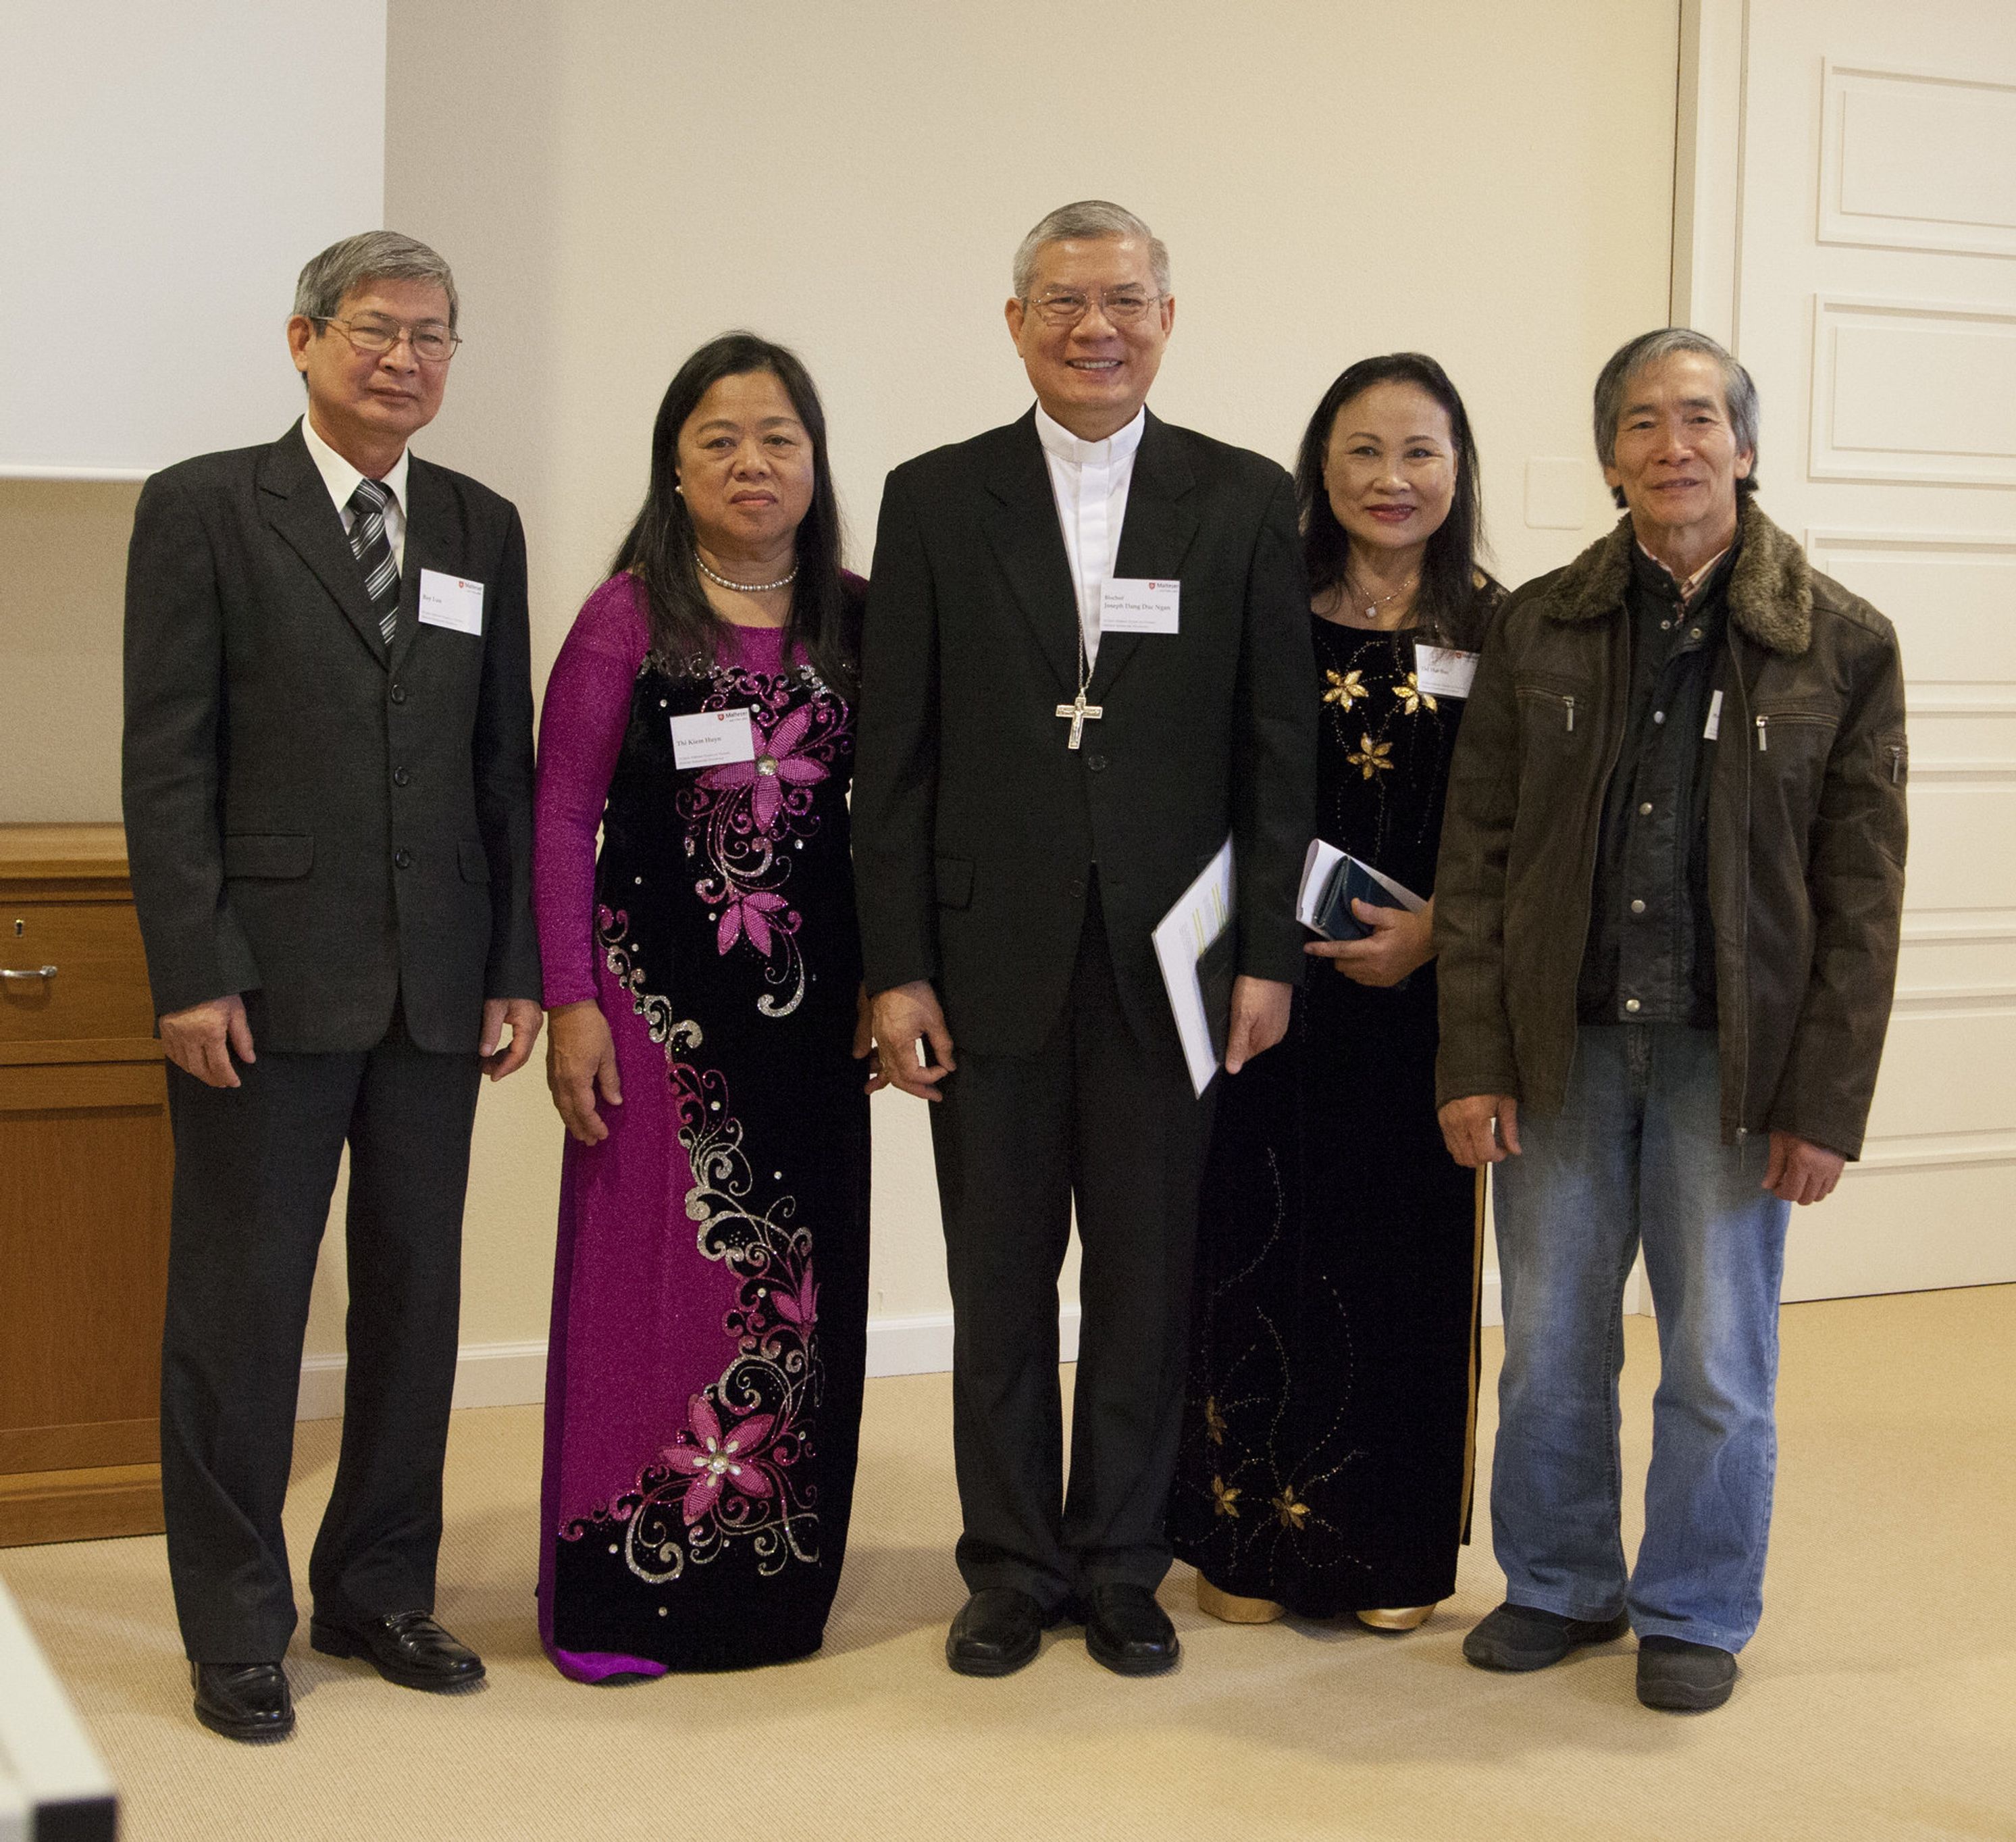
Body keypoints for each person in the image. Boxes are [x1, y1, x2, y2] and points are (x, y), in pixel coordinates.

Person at [852, 201, 1316, 1678]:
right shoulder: (934, 497)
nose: (1093, 327)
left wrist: (1266, 953)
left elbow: (1276, 750)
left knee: (1143, 1277)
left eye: (1122, 299)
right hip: (982, 958)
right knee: (996, 1281)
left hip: (1170, 963)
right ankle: (1008, 1564)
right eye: (1061, 300)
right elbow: (892, 758)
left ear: (1166, 319)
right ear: (1015, 322)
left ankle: (1120, 1558)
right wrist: (894, 965)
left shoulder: (1242, 499)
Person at [1435, 328, 1907, 1712]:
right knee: (1548, 1345)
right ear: (1608, 458)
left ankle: (1694, 1606)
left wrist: (1824, 1101)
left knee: (1714, 1359)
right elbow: (1478, 858)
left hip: (1730, 1065)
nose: (1671, 445)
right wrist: (1472, 1057)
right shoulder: (1536, 626)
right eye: (1640, 422)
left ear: (1743, 448)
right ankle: (1557, 1582)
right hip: (1561, 1050)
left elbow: (1861, 897)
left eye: (1698, 418)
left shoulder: (1840, 641)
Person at [122, 231, 542, 1742]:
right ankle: (236, 1621)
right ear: (302, 339)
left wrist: (513, 964)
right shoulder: (204, 506)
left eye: (433, 335)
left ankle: (376, 1586)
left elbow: (500, 764)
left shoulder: (480, 523)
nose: (404, 359)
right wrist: (193, 968)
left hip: (438, 983)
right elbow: (166, 759)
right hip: (262, 986)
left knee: (417, 1303)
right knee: (240, 1312)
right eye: (375, 329)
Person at [531, 333, 873, 1677]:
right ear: (673, 466)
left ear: (814, 460)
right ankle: (619, 1591)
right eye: (718, 438)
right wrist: (571, 1003)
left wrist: (893, 979)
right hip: (653, 1017)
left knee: (796, 1297)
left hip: (811, 1023)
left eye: (778, 436)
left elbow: (901, 819)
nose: (751, 461)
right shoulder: (626, 617)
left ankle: (765, 1591)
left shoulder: (860, 617)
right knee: (649, 1291)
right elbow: (560, 819)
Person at [1171, 354, 1502, 1633]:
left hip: (1423, 1014)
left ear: (1457, 469)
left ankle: (1385, 1557)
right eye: (1363, 450)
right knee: (1250, 1252)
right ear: (1320, 464)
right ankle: (1242, 1541)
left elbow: (1534, 828)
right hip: (1269, 996)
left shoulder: (1503, 628)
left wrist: (1439, 932)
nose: (1391, 478)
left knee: (1401, 1274)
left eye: (1420, 452)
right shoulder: (1265, 609)